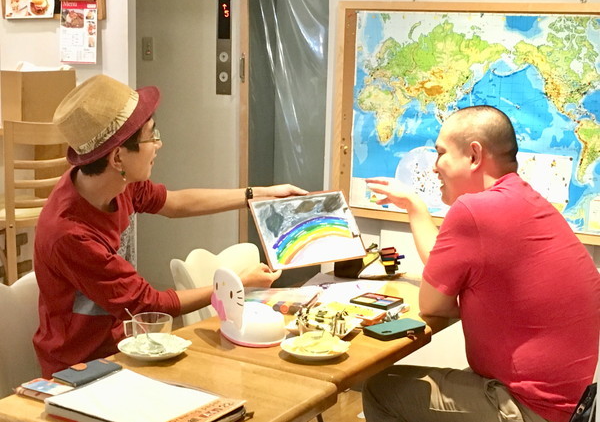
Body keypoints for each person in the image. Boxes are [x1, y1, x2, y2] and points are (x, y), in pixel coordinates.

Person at [33, 74, 307, 378]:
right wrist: (234, 287)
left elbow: (175, 203)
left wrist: (257, 195)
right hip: (79, 368)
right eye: (151, 136)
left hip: (124, 346)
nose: (159, 144)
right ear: (117, 157)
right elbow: (148, 303)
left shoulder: (115, 183)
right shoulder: (70, 233)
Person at [362, 105, 599, 422]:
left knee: (380, 389)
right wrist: (413, 206)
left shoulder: (474, 211)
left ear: (474, 155)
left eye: (440, 153)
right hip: (572, 404)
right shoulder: (525, 201)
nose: (434, 167)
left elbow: (434, 305)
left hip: (531, 408)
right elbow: (443, 270)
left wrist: (449, 295)